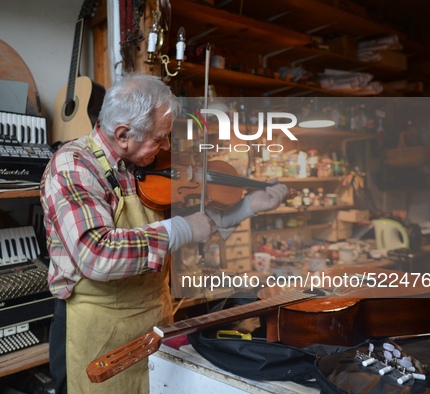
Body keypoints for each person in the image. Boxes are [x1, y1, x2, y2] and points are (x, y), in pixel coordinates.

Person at [40, 72, 289, 394]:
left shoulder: (146, 166)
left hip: (154, 317)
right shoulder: (74, 166)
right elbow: (97, 255)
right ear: (123, 133)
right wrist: (180, 227)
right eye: (159, 138)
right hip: (96, 328)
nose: (167, 146)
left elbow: (196, 225)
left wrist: (248, 206)